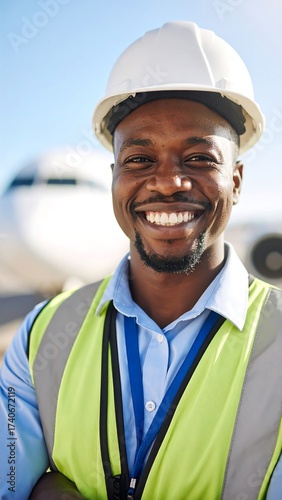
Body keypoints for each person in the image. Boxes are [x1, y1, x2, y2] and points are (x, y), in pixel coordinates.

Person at [0, 21, 281, 500]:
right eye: (139, 160)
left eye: (198, 158)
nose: (168, 182)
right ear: (114, 178)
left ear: (236, 180)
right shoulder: (39, 336)